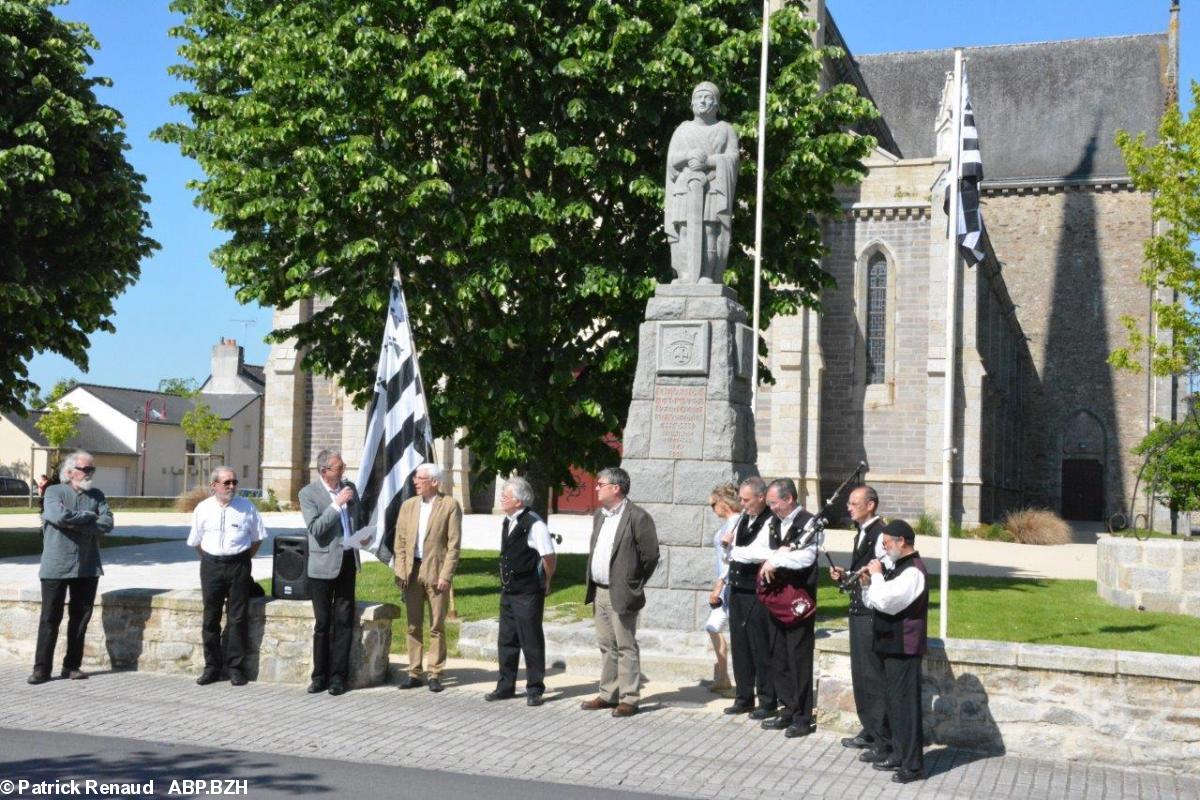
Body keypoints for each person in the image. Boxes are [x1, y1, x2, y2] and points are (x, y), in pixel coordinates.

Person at [581, 467, 659, 717]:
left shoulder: (638, 517)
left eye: (600, 483)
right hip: (600, 591)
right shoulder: (599, 516)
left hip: (622, 592)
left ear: (616, 488)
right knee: (606, 644)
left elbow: (651, 556)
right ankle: (608, 694)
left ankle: (629, 698)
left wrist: (633, 582)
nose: (596, 487)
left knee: (626, 645)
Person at [30, 451, 112, 684]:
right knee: (50, 618)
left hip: (87, 566)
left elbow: (107, 523)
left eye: (92, 469)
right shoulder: (54, 492)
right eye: (86, 469)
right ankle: (41, 669)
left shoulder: (97, 495)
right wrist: (88, 517)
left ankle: (71, 666)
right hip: (56, 565)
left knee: (80, 618)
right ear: (69, 472)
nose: (90, 474)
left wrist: (77, 521)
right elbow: (57, 516)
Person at [188, 465, 267, 687]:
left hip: (239, 565)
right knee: (210, 617)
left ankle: (235, 668)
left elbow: (257, 538)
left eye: (234, 482)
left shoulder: (247, 508)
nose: (231, 486)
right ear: (214, 485)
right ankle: (212, 667)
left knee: (238, 617)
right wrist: (211, 559)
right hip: (211, 565)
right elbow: (196, 541)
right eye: (227, 482)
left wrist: (241, 559)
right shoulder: (202, 509)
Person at [864, 519, 928, 784]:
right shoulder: (897, 567)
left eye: (887, 543)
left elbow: (887, 602)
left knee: (906, 707)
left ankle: (913, 766)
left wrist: (877, 575)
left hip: (905, 646)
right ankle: (900, 753)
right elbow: (872, 600)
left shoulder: (913, 571)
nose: (884, 547)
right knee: (894, 703)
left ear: (902, 542)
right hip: (890, 643)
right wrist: (869, 581)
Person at [485, 476, 557, 706]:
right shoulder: (508, 521)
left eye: (505, 496)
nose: (501, 499)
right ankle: (505, 685)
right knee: (506, 639)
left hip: (527, 591)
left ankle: (535, 688)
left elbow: (549, 556)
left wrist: (545, 581)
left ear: (518, 501)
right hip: (509, 590)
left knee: (531, 640)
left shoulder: (534, 523)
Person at [299, 448, 364, 696]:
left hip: (347, 560)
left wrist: (361, 537)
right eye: (339, 467)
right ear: (324, 471)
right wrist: (336, 505)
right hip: (322, 567)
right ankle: (319, 677)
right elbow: (316, 528)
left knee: (344, 622)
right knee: (323, 623)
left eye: (343, 466)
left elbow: (355, 519)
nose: (343, 470)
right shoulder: (308, 493)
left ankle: (338, 678)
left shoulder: (350, 489)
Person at [829, 485, 889, 753]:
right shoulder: (862, 533)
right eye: (849, 503)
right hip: (858, 609)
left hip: (871, 613)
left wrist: (868, 578)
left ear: (871, 505)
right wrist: (846, 575)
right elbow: (862, 572)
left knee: (873, 676)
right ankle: (869, 728)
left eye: (855, 503)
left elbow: (886, 571)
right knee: (861, 675)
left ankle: (883, 737)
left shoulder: (881, 534)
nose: (849, 507)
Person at [393, 463, 462, 693]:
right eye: (415, 478)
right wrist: (401, 571)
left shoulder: (450, 505)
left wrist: (446, 575)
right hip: (412, 572)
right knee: (413, 625)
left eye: (420, 478)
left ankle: (435, 672)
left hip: (435, 572)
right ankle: (414, 672)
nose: (415, 482)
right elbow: (400, 542)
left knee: (436, 625)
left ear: (434, 481)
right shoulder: (408, 506)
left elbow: (454, 545)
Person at [758, 478, 818, 738]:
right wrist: (774, 556)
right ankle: (787, 708)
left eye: (774, 503)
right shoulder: (774, 522)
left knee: (799, 659)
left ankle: (802, 717)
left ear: (789, 499)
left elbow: (807, 557)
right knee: (778, 656)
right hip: (776, 598)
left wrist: (778, 559)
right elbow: (760, 549)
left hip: (798, 602)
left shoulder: (810, 522)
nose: (771, 507)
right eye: (769, 503)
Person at [664, 81, 739, 284]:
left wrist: (710, 161)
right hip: (684, 188)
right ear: (692, 103)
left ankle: (707, 273)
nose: (703, 101)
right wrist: (688, 155)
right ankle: (685, 274)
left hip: (712, 187)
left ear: (716, 104)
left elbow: (732, 159)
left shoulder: (725, 130)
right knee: (684, 230)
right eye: (699, 97)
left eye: (707, 97)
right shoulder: (682, 130)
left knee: (709, 231)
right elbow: (672, 161)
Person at [723, 475, 776, 719]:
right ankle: (743, 697)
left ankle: (767, 700)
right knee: (740, 644)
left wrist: (735, 550)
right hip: (737, 589)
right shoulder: (744, 518)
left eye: (747, 500)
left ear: (761, 497)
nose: (742, 504)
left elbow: (760, 552)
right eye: (741, 500)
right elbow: (735, 553)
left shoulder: (770, 519)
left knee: (759, 645)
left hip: (756, 591)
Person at [704, 483, 741, 693]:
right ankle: (721, 675)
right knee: (713, 626)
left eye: (713, 505)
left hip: (728, 584)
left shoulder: (735, 524)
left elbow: (730, 560)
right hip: (725, 583)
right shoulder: (728, 524)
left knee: (715, 626)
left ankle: (725, 677)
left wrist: (719, 585)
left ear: (723, 503)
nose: (713, 509)